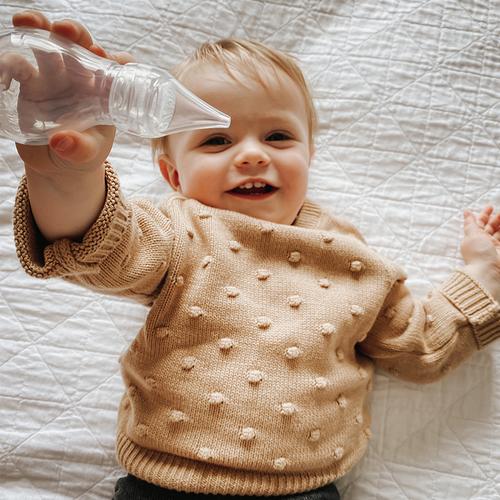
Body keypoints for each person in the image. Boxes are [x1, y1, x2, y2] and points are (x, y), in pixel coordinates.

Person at [9, 9, 500, 500]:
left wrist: (483, 273)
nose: (251, 154)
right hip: (164, 482)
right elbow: (102, 246)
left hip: (303, 489)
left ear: (309, 155)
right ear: (175, 176)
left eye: (278, 136)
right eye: (216, 140)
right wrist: (68, 175)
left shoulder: (352, 258)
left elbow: (419, 346)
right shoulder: (182, 232)